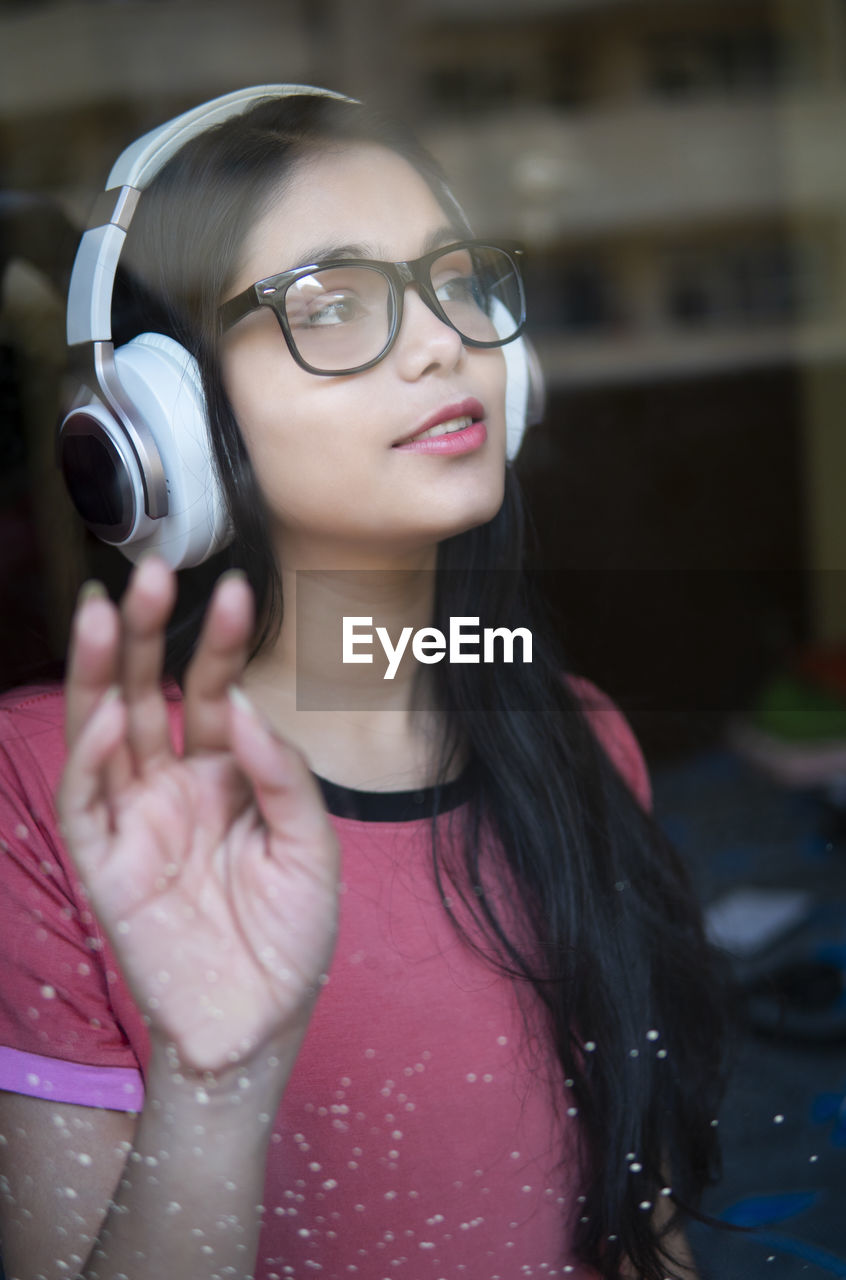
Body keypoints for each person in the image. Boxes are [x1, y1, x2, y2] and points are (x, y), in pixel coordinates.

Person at [0, 87, 731, 1280]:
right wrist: (212, 1090)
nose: (443, 338)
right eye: (332, 304)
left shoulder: (577, 739)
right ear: (165, 421)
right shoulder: (48, 785)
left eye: (457, 282)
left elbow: (642, 1234)